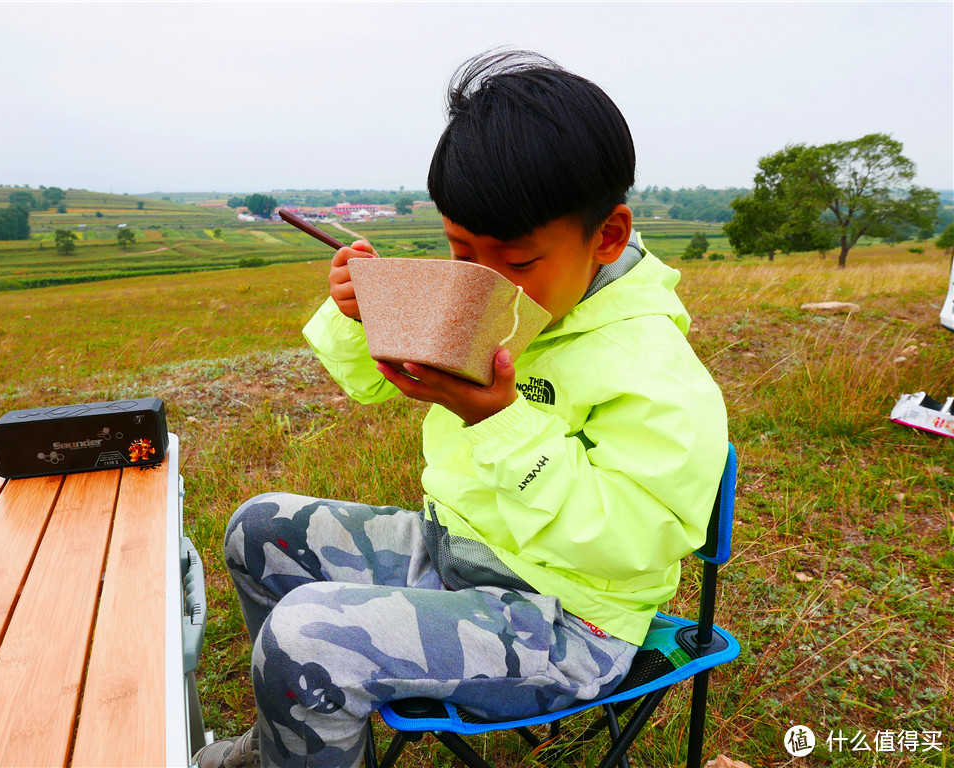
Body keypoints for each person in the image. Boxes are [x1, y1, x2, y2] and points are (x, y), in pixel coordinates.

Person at [194, 49, 728, 768]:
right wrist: (363, 317)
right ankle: (289, 739)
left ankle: (301, 702)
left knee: (307, 635)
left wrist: (497, 422)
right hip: (455, 556)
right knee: (259, 529)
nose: (480, 281)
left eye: (515, 260)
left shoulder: (655, 370)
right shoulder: (507, 300)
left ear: (606, 236)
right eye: (458, 250)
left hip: (568, 624)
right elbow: (376, 384)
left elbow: (631, 537)